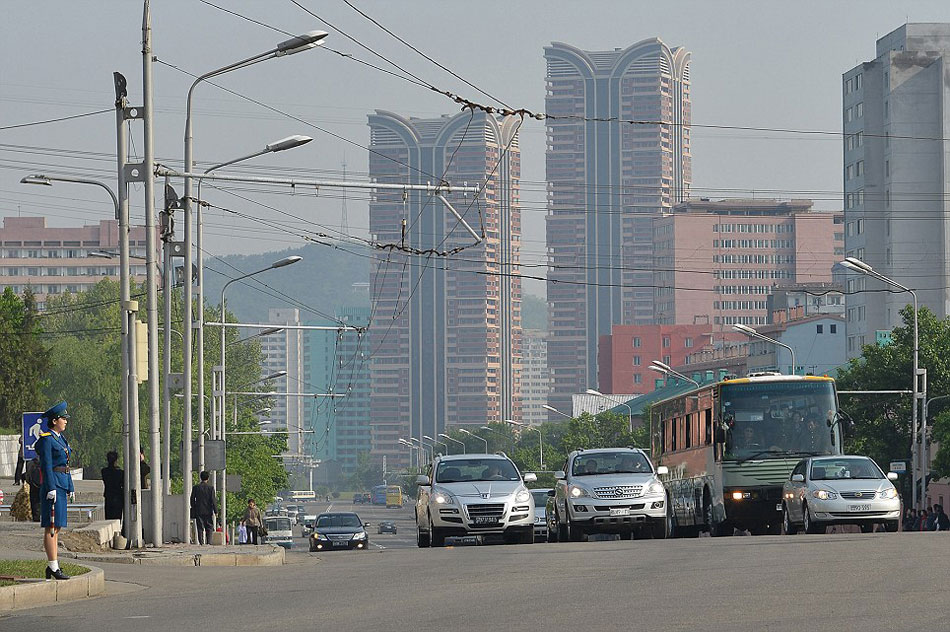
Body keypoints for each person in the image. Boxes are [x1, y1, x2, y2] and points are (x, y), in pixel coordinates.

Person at [36, 401, 74, 580]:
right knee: (51, 528)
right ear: (54, 421)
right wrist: (50, 487)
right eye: (63, 418)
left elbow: (65, 464)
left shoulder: (60, 439)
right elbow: (47, 465)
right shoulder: (46, 440)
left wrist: (71, 487)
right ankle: (53, 566)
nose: (66, 421)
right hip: (53, 486)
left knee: (57, 526)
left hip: (62, 483)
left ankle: (53, 564)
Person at [190, 470, 218, 545]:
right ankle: (209, 542)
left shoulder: (196, 487)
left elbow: (192, 499)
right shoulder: (210, 488)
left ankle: (201, 542)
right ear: (208, 478)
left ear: (200, 478)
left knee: (200, 527)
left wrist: (194, 507)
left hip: (199, 510)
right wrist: (216, 511)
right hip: (208, 510)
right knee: (209, 526)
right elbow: (213, 500)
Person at [101, 450, 124, 521]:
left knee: (108, 519)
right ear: (116, 460)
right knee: (117, 520)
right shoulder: (120, 473)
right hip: (118, 498)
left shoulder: (104, 471)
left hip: (108, 497)